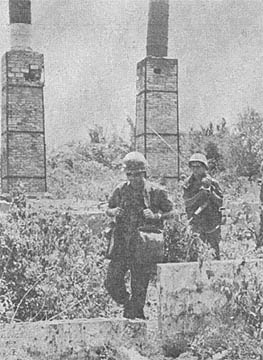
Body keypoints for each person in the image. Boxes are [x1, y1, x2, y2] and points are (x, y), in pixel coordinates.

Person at [104, 151, 173, 319]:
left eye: (137, 175)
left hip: (143, 245)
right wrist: (114, 211)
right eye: (130, 174)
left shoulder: (156, 191)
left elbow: (172, 212)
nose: (133, 178)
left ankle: (136, 321)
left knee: (139, 287)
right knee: (112, 282)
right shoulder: (120, 189)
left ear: (144, 173)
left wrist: (156, 216)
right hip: (122, 243)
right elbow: (108, 208)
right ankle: (127, 303)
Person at [183, 153, 223, 260]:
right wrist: (200, 195)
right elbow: (187, 202)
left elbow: (221, 202)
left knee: (214, 252)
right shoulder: (188, 183)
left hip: (212, 222)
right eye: (193, 167)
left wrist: (211, 193)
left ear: (204, 167)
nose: (195, 170)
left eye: (198, 167)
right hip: (195, 221)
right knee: (194, 252)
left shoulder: (213, 182)